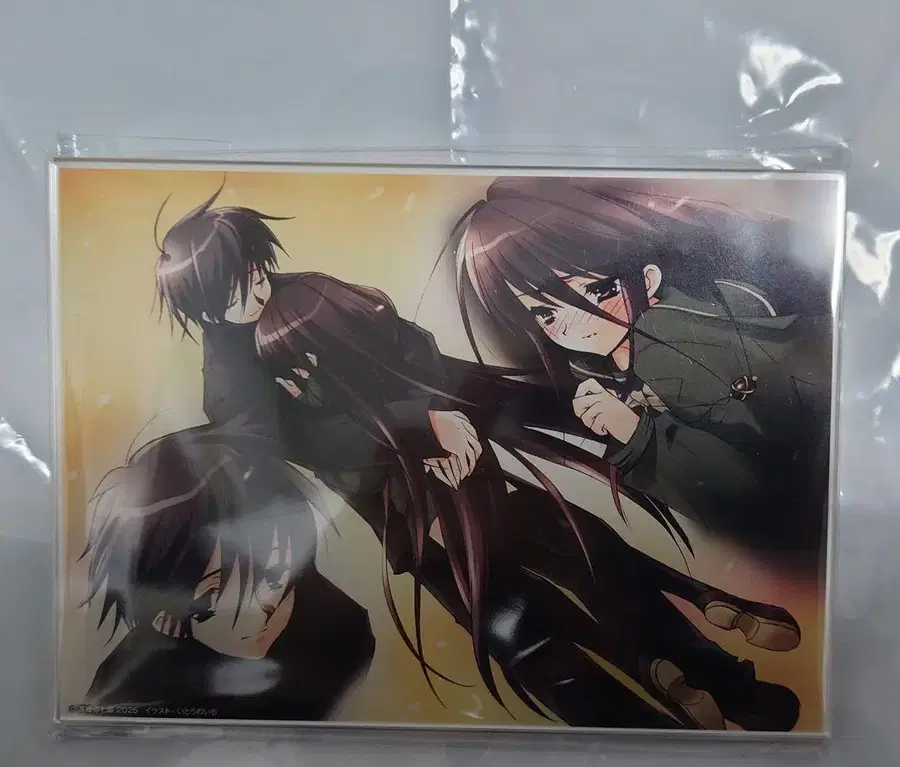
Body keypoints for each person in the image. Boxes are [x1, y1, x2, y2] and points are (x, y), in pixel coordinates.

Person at [152, 189, 801, 731]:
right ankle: (647, 724)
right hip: (418, 519)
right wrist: (419, 428)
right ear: (204, 304)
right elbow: (306, 444)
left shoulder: (302, 291)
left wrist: (448, 410)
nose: (257, 285)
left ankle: (728, 685)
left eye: (254, 268)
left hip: (475, 478)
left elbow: (408, 346)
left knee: (596, 563)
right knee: (528, 636)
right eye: (236, 286)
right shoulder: (230, 384)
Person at [451, 177, 833, 563]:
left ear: (649, 280)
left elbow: (757, 494)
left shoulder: (682, 337)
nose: (574, 323)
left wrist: (636, 433)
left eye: (597, 291)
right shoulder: (596, 370)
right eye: (545, 313)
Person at [79, 424, 375, 721]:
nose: (258, 610)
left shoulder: (339, 632)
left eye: (274, 576)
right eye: (213, 592)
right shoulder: (133, 681)